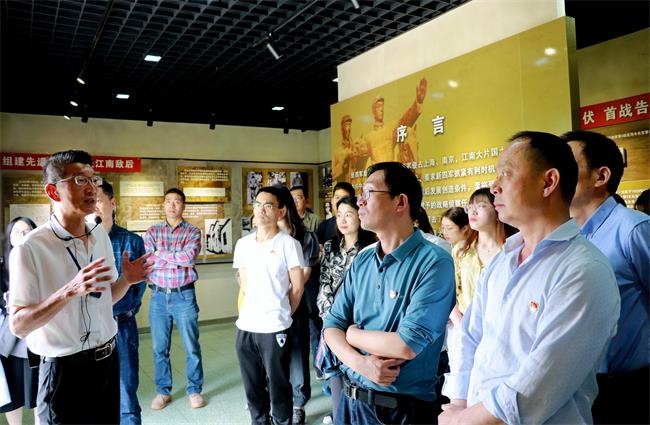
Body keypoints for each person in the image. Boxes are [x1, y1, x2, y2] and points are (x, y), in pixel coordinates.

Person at [440, 131, 620, 424]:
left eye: (506, 174)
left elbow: (538, 384)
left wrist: (461, 420)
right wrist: (459, 403)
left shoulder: (584, 270)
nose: (494, 187)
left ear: (548, 182)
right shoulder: (502, 261)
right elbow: (471, 337)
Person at [8, 150, 150, 425]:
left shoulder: (99, 235)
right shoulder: (30, 249)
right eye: (80, 180)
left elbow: (104, 300)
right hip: (63, 371)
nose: (92, 188)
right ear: (53, 191)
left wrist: (126, 280)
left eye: (93, 180)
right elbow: (19, 325)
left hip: (107, 362)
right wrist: (69, 291)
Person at [323, 162, 455, 424]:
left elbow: (405, 344)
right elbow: (331, 325)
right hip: (350, 401)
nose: (360, 202)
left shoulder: (434, 262)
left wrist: (352, 334)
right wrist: (361, 364)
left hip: (398, 410)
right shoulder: (363, 260)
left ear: (400, 202)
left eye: (369, 193)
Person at [562, 130, 650, 425]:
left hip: (630, 386)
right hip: (578, 384)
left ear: (601, 176)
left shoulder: (634, 229)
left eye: (568, 165)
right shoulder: (565, 235)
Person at [233, 186, 304, 425]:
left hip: (274, 327)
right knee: (252, 386)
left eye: (268, 205)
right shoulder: (243, 244)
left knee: (278, 385)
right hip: (246, 326)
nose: (261, 210)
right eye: (257, 204)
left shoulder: (288, 244)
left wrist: (282, 314)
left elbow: (297, 288)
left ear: (280, 212)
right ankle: (259, 421)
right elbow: (244, 284)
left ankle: (282, 421)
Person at [316, 196, 375, 423]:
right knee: (334, 374)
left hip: (358, 324)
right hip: (332, 320)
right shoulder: (330, 247)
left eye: (348, 215)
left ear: (360, 217)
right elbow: (325, 283)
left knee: (357, 376)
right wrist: (330, 319)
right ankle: (339, 415)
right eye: (339, 215)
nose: (342, 220)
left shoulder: (370, 248)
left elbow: (368, 290)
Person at [145, 188, 205, 410]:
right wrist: (174, 259)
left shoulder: (193, 231)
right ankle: (163, 391)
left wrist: (159, 254)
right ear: (163, 204)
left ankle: (194, 390)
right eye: (168, 201)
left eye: (177, 201)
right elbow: (149, 261)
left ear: (183, 205)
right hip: (158, 297)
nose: (172, 205)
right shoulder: (152, 231)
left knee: (191, 347)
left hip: (184, 296)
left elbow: (189, 258)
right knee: (159, 348)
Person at [447, 189, 514, 379]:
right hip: (463, 330)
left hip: (502, 333)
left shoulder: (512, 249)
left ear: (498, 210)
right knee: (464, 383)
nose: (472, 211)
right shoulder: (461, 250)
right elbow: (450, 293)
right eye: (470, 207)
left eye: (481, 206)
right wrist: (463, 326)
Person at [95, 181, 147, 425]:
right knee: (93, 393)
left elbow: (139, 286)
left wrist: (127, 308)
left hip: (122, 325)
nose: (93, 206)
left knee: (126, 389)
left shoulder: (131, 241)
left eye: (98, 200)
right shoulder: (79, 243)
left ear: (112, 203)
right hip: (89, 329)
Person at [277, 186, 319, 425]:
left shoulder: (306, 237)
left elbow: (303, 276)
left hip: (295, 302)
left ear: (283, 209)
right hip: (269, 307)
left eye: (268, 205)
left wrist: (285, 299)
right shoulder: (259, 238)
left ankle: (298, 404)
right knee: (272, 357)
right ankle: (276, 401)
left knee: (297, 355)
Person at [0, 217, 38, 425]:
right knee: (12, 396)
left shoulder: (42, 264)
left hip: (36, 342)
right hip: (7, 343)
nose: (24, 236)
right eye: (18, 232)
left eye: (28, 231)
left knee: (38, 394)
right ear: (9, 237)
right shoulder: (2, 268)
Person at [353, 78, 427, 169]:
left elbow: (405, 120)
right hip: (376, 173)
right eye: (378, 107)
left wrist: (418, 102)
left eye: (382, 107)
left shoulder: (390, 129)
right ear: (373, 111)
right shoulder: (368, 138)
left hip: (390, 172)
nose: (381, 109)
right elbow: (358, 156)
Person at [316, 181, 355, 246]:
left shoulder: (358, 224)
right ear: (332, 201)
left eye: (344, 198)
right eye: (337, 197)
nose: (340, 201)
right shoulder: (323, 226)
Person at [332, 115, 353, 183]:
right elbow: (331, 177)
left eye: (350, 125)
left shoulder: (355, 148)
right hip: (342, 187)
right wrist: (343, 161)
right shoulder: (337, 152)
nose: (349, 129)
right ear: (342, 129)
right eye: (346, 125)